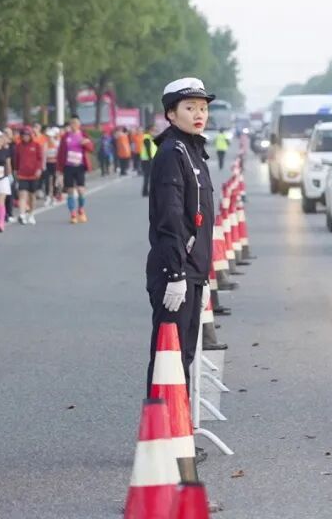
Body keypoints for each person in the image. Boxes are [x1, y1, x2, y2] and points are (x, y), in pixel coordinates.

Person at [145, 77, 222, 420]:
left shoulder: (192, 151)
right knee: (169, 360)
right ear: (171, 114)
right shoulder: (171, 154)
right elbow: (171, 217)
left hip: (192, 271)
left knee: (184, 356)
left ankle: (178, 431)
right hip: (175, 272)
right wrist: (175, 273)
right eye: (189, 107)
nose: (198, 114)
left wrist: (201, 277)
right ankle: (163, 434)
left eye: (202, 107)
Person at [14, 127, 45, 225]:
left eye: (27, 135)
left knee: (32, 196)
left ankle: (31, 214)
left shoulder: (36, 145)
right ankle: (22, 214)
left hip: (33, 174)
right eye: (23, 135)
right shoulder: (18, 146)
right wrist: (16, 170)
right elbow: (16, 159)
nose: (25, 137)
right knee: (22, 195)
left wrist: (39, 169)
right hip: (22, 174)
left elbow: (40, 159)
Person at [43, 127, 60, 205]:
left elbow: (59, 156)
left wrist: (59, 167)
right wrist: (43, 166)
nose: (49, 138)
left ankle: (54, 197)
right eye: (48, 136)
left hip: (55, 165)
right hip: (47, 164)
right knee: (47, 181)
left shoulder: (57, 144)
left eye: (50, 136)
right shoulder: (45, 145)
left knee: (54, 181)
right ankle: (47, 197)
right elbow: (43, 156)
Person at [139, 123, 157, 197]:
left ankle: (146, 191)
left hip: (148, 159)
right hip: (147, 159)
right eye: (153, 130)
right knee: (147, 176)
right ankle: (145, 191)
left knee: (148, 176)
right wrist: (150, 159)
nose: (154, 131)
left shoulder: (149, 137)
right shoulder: (146, 138)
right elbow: (148, 149)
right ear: (149, 130)